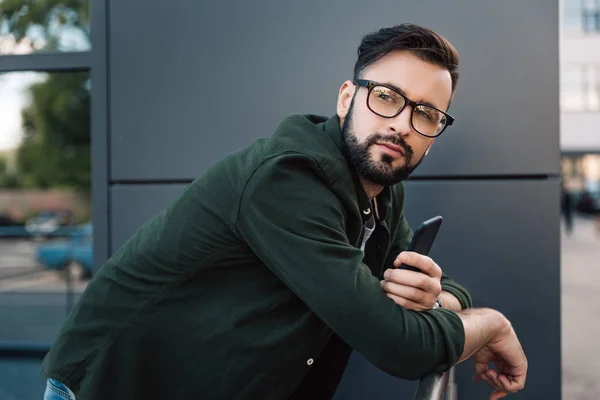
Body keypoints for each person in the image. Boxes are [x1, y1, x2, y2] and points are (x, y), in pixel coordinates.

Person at [42, 23, 527, 400]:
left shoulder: (380, 189)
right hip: (117, 386)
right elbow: (399, 344)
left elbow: (433, 291)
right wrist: (492, 324)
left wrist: (438, 299)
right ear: (346, 99)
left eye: (425, 113)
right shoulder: (288, 178)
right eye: (386, 97)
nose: (401, 124)